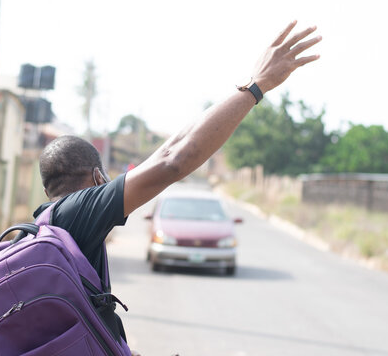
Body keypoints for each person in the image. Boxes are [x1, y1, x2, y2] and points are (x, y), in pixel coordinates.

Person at [34, 21, 321, 356]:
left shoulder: (48, 224)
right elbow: (173, 163)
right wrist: (257, 87)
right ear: (98, 179)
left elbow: (167, 153)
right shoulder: (80, 211)